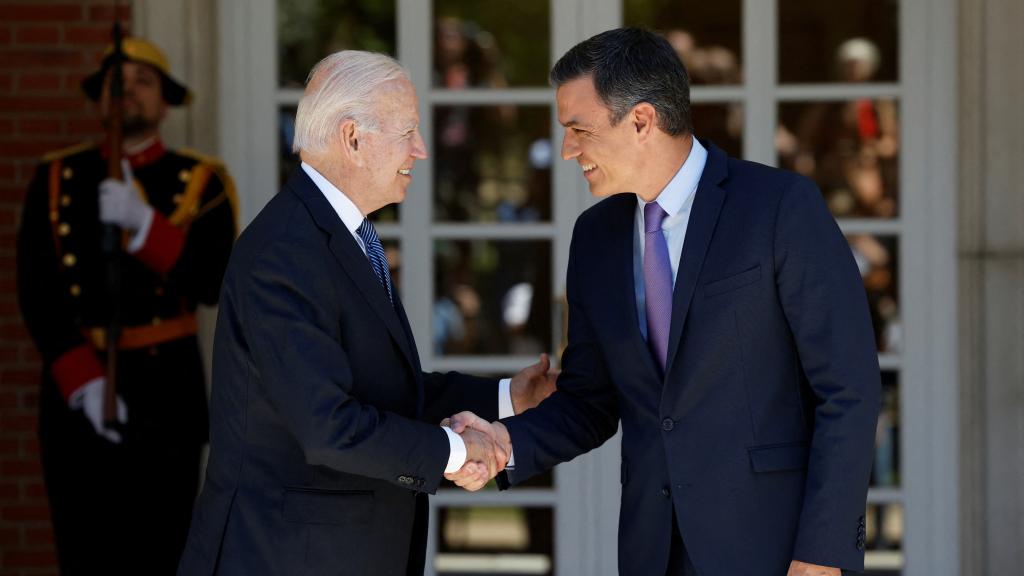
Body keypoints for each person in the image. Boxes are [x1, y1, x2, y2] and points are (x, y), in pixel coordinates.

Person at [448, 28, 881, 576]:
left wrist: (822, 554)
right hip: (653, 552)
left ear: (641, 120)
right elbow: (590, 399)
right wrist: (506, 441)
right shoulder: (595, 238)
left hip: (774, 550)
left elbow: (848, 389)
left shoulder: (778, 209)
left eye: (579, 129)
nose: (567, 149)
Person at [176, 50, 554, 576]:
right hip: (285, 557)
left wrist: (507, 397)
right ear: (353, 138)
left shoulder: (340, 233)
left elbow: (385, 391)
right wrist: (453, 451)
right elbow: (329, 424)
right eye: (407, 132)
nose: (420, 150)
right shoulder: (284, 252)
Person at [16, 37, 238, 574]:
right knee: (83, 548)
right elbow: (37, 287)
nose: (128, 91)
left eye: (144, 81)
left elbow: (214, 282)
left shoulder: (202, 181)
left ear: (165, 103)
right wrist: (83, 380)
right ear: (99, 101)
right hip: (78, 393)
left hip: (167, 395)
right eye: (117, 82)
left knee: (163, 548)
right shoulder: (55, 177)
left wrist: (145, 228)